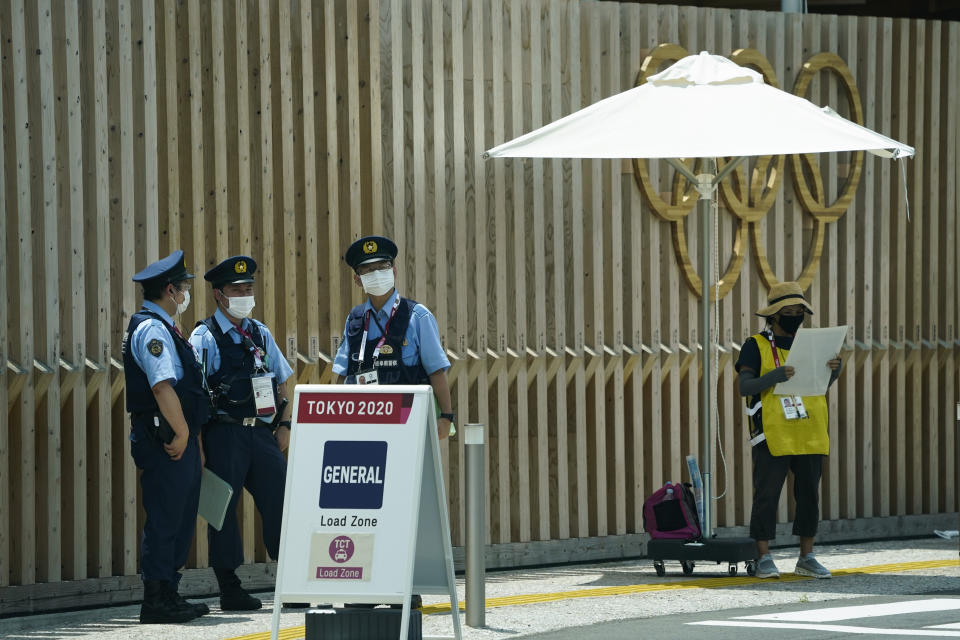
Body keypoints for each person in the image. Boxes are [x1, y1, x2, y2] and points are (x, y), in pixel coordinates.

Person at [332, 235, 455, 609]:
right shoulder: (356, 321)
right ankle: (365, 585)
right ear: (357, 280)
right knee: (363, 509)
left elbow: (437, 372)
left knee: (402, 508)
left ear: (394, 270)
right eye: (367, 270)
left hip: (405, 430)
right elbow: (341, 376)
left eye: (382, 267)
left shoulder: (417, 316)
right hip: (361, 433)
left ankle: (405, 586)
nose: (376, 274)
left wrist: (446, 417)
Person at [189, 256, 294, 611]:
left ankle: (292, 582)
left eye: (248, 289)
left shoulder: (259, 332)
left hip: (262, 434)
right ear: (219, 295)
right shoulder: (204, 337)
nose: (245, 295)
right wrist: (199, 445)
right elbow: (196, 395)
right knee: (224, 511)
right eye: (237, 290)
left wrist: (284, 425)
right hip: (224, 434)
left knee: (282, 502)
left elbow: (282, 380)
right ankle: (230, 587)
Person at [122, 250, 210, 624]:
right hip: (165, 437)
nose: (187, 294)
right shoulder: (153, 329)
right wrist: (184, 431)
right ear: (170, 290)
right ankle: (156, 599)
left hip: (175, 437)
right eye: (184, 287)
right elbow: (161, 386)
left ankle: (169, 593)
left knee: (180, 516)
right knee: (165, 517)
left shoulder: (165, 327)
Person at [735, 281, 842, 580]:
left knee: (809, 495)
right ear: (774, 314)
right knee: (767, 495)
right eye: (789, 310)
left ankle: (807, 556)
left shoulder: (812, 345)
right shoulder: (754, 345)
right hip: (773, 431)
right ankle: (763, 557)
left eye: (800, 310)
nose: (796, 314)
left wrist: (835, 370)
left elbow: (820, 385)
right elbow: (744, 386)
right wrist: (774, 376)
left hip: (810, 428)